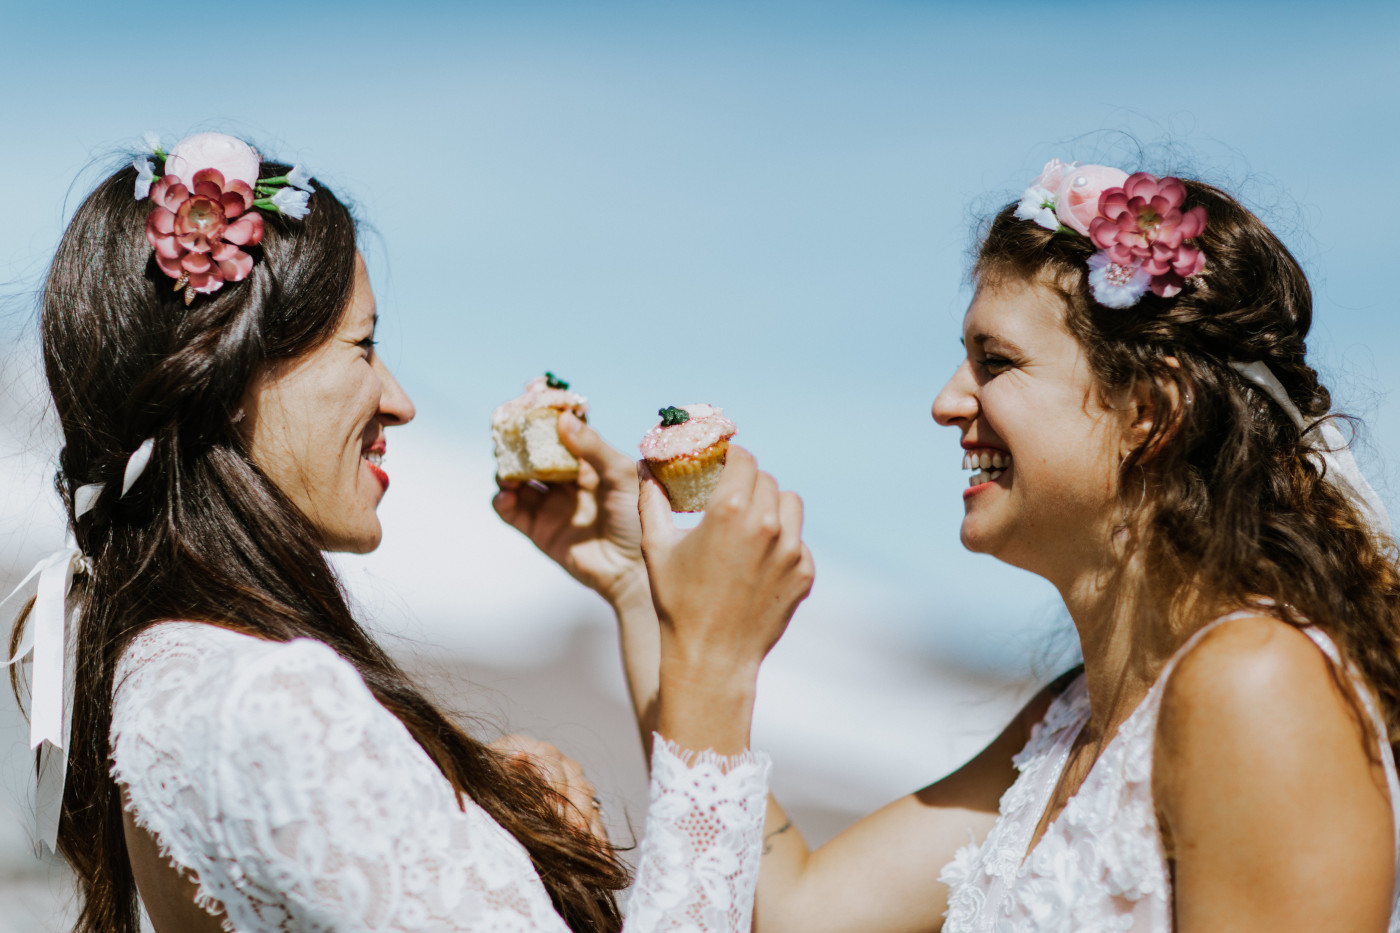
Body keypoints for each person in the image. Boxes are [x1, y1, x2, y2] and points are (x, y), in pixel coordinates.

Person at [502, 161, 1400, 931]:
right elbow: (793, 907)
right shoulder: (1067, 723)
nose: (946, 400)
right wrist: (636, 589)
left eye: (994, 361)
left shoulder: (1257, 683)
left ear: (1149, 411)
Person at [3, 131, 813, 933]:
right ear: (232, 371)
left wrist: (467, 819)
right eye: (363, 347)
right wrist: (714, 670)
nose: (399, 399)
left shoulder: (170, 668)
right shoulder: (266, 703)